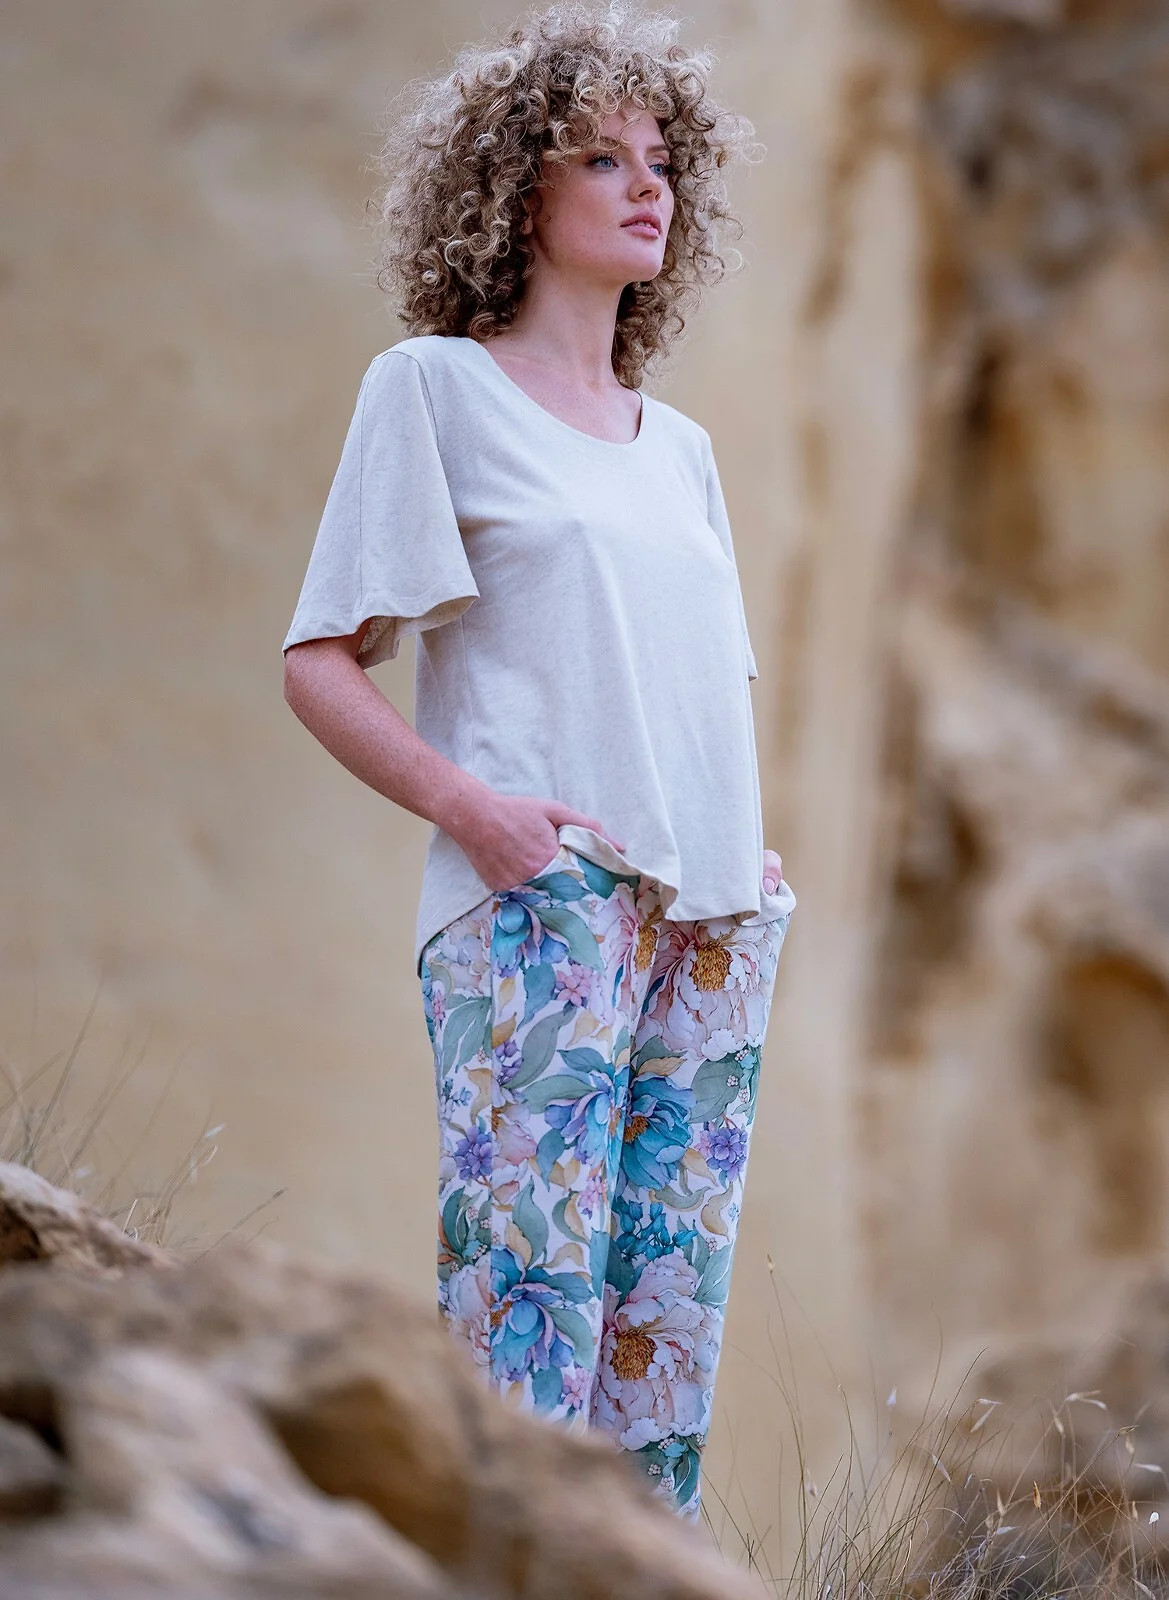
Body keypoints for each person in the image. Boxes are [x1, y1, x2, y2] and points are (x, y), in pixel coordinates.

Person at [281, 0, 795, 1524]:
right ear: (516, 191)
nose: (648, 189)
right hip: (541, 904)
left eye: (662, 162)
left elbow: (698, 684)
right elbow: (320, 662)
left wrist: (747, 859)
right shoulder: (432, 390)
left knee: (663, 1354)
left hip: (713, 921)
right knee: (528, 1318)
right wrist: (476, 814)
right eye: (601, 159)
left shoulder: (679, 448)